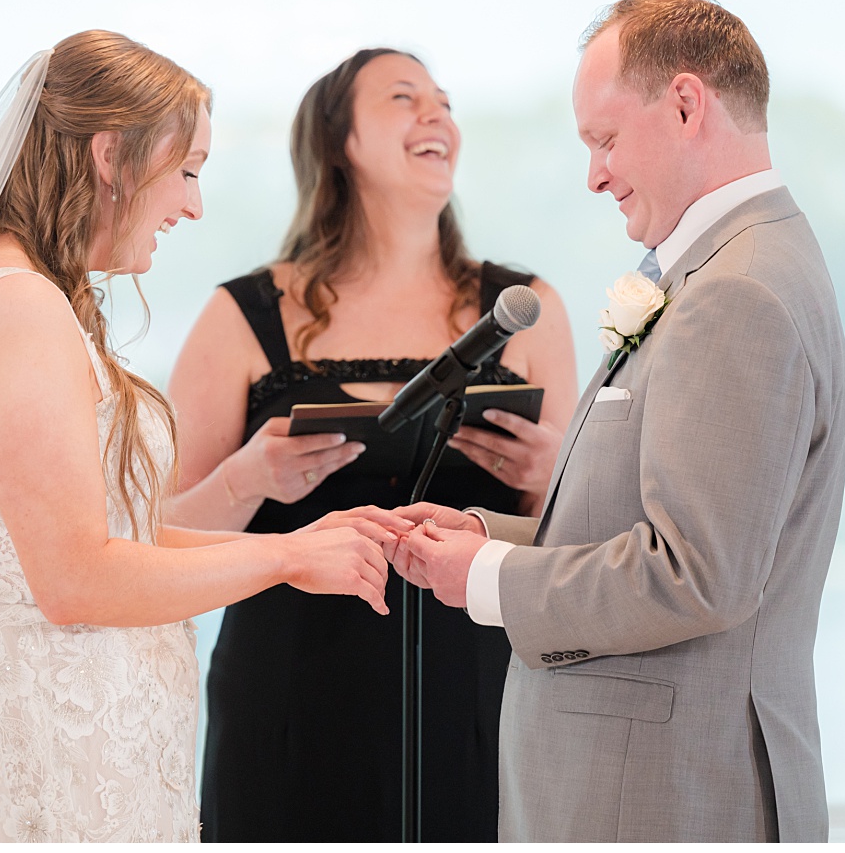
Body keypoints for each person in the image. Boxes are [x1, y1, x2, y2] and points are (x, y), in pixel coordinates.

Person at [0, 32, 403, 842]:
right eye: (188, 170)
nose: (193, 206)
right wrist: (286, 560)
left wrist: (299, 534)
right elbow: (74, 579)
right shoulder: (17, 308)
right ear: (110, 155)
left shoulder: (29, 298)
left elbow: (116, 538)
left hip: (104, 750)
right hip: (70, 766)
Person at [391, 0, 845, 842]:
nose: (595, 174)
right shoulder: (726, 268)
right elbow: (651, 527)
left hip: (662, 798)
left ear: (686, 104)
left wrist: (486, 578)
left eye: (604, 140)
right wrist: (483, 535)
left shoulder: (738, 292)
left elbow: (697, 573)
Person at [166, 49, 578, 841]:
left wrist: (550, 473)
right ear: (340, 141)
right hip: (287, 699)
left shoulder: (527, 309)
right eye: (403, 97)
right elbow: (162, 539)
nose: (437, 114)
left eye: (444, 101)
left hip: (478, 699)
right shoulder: (243, 314)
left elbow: (577, 540)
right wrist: (247, 479)